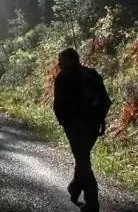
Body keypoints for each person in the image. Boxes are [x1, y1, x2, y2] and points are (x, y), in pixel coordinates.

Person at [53, 47, 111, 212]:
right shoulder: (91, 74)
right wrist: (100, 120)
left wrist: (63, 122)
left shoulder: (63, 77)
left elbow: (57, 104)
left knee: (83, 162)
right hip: (93, 126)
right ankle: (74, 188)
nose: (59, 63)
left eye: (62, 60)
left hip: (76, 126)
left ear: (71, 59)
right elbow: (106, 101)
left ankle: (92, 203)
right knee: (82, 157)